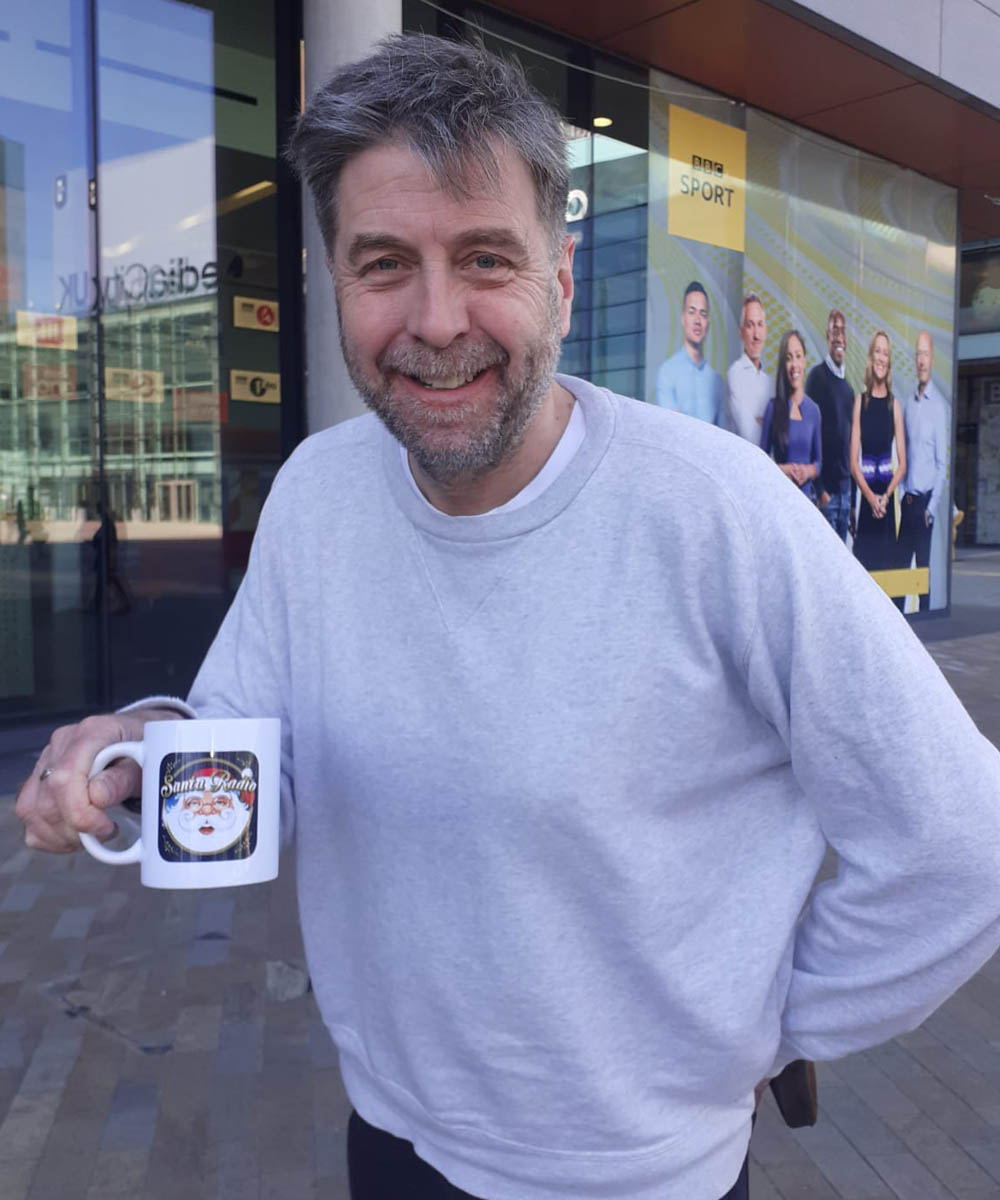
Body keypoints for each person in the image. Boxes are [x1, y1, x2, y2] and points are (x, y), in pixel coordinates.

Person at [15, 35, 1000, 1200]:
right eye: (385, 264)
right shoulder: (319, 493)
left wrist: (753, 1032)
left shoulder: (714, 513)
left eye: (485, 258)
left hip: (635, 1179)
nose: (437, 321)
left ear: (562, 280)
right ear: (336, 278)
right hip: (388, 1136)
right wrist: (138, 746)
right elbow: (250, 759)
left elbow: (961, 846)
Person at [897, 330, 948, 612]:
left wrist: (931, 507)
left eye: (925, 354)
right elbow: (903, 453)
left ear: (932, 359)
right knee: (902, 573)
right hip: (908, 503)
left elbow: (942, 464)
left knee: (923, 575)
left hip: (925, 506)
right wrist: (903, 492)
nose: (921, 360)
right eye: (918, 354)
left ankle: (927, 631)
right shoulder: (908, 404)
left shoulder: (938, 408)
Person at [849, 331, 906, 573]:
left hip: (887, 503)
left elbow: (902, 465)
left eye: (886, 353)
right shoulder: (860, 402)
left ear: (889, 361)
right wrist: (871, 498)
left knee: (887, 576)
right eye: (877, 351)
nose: (881, 358)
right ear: (871, 358)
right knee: (864, 573)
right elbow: (853, 463)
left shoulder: (895, 406)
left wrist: (885, 497)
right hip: (867, 502)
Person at [805, 309, 854, 542]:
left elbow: (849, 447)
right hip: (826, 496)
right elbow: (809, 436)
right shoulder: (816, 378)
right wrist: (820, 489)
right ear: (827, 335)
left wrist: (851, 497)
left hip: (845, 497)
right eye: (834, 330)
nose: (839, 337)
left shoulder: (849, 390)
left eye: (842, 331)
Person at [759, 329, 822, 499]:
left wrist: (806, 471)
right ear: (783, 365)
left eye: (798, 356)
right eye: (788, 358)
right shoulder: (772, 408)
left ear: (805, 360)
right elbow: (761, 462)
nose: (794, 364)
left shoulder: (814, 411)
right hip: (781, 500)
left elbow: (818, 463)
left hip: (808, 502)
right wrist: (785, 470)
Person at [654, 281, 725, 425]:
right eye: (692, 312)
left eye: (703, 314)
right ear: (683, 319)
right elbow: (670, 428)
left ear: (708, 324)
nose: (698, 320)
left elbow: (722, 436)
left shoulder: (717, 382)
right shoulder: (667, 372)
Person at [724, 294, 772, 443]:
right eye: (750, 325)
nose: (756, 335)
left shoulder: (770, 383)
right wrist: (765, 423)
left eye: (760, 324)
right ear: (741, 332)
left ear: (765, 330)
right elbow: (749, 434)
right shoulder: (735, 374)